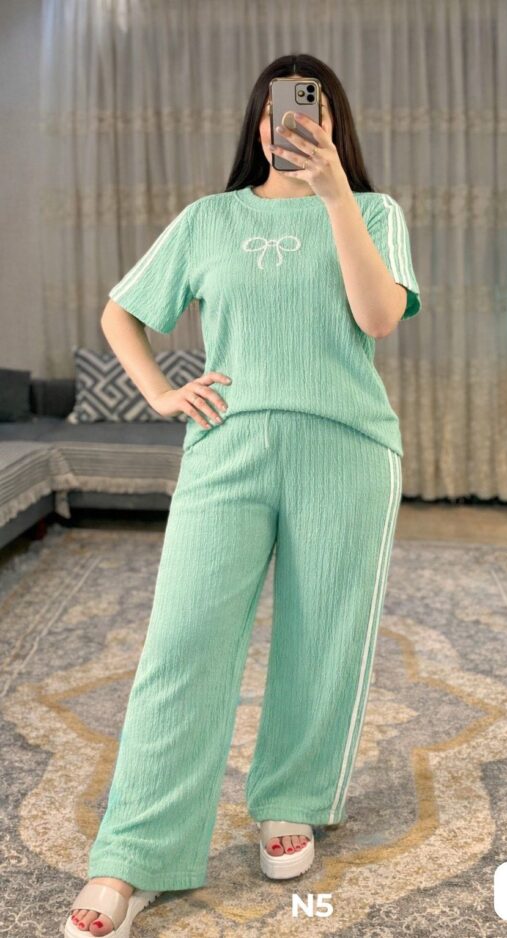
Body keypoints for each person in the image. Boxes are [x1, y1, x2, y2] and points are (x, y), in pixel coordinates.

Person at [63, 52, 421, 937]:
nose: (288, 127)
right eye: (275, 114)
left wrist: (334, 197)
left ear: (331, 125)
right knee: (182, 644)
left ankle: (290, 801)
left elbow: (379, 318)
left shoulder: (373, 211)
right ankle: (132, 853)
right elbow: (121, 312)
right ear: (256, 125)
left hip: (346, 449)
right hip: (226, 449)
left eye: (308, 113)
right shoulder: (208, 219)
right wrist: (158, 392)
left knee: (322, 638)